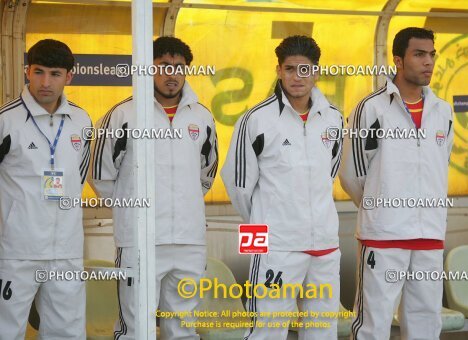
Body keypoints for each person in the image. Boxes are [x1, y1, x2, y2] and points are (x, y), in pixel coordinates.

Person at [90, 36, 218, 340]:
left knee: (184, 326)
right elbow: (101, 176)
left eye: (178, 67)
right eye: (163, 66)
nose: (171, 74)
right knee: (136, 328)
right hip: (140, 241)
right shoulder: (123, 115)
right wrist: (132, 211)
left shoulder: (202, 117)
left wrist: (183, 203)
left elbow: (206, 173)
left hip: (189, 240)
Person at [221, 35, 344, 340]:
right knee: (267, 330)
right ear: (278, 70)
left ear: (316, 72)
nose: (297, 77)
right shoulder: (256, 119)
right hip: (272, 244)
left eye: (305, 70)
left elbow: (329, 174)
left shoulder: (335, 118)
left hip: (325, 244)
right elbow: (237, 184)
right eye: (290, 69)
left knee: (322, 331)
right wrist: (265, 225)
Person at [339, 27, 454, 340]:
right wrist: (382, 208)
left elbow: (438, 168)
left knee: (427, 325)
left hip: (429, 235)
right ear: (399, 60)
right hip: (383, 237)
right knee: (372, 327)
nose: (428, 62)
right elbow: (351, 174)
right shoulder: (371, 108)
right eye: (419, 54)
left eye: (432, 55)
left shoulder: (443, 112)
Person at [0, 39, 91, 339]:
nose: (45, 82)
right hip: (16, 250)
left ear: (69, 77)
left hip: (66, 248)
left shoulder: (81, 120)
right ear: (27, 72)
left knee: (67, 331)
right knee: (5, 328)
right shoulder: (6, 121)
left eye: (55, 74)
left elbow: (78, 177)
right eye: (39, 72)